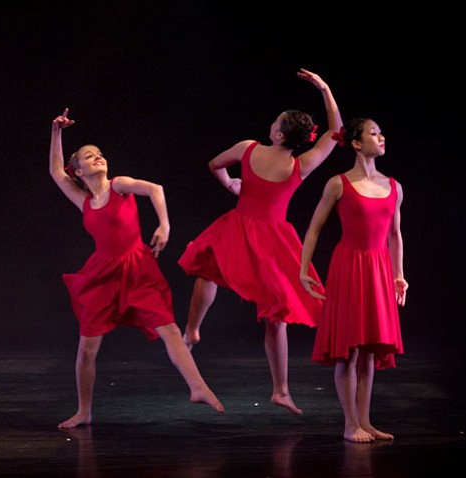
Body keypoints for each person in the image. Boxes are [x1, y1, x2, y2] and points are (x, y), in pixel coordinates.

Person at [178, 68, 342, 415]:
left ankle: (192, 330)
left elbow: (213, 164)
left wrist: (232, 185)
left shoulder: (247, 148)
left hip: (239, 227)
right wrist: (325, 89)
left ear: (279, 133)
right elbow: (336, 132)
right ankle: (280, 389)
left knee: (207, 269)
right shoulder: (303, 164)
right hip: (275, 238)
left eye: (276, 121)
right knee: (277, 315)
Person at [49, 108, 225, 429]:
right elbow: (55, 173)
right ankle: (84, 411)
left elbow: (155, 189)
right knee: (87, 349)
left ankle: (197, 387)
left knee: (169, 328)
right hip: (101, 276)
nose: (98, 158)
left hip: (137, 268)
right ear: (77, 170)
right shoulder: (83, 201)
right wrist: (56, 132)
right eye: (89, 157)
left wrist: (164, 225)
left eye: (99, 154)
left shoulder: (119, 185)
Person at [299, 117, 408, 443]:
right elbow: (314, 228)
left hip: (377, 270)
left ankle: (365, 421)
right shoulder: (338, 184)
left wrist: (398, 273)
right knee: (349, 349)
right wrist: (304, 269)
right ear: (357, 143)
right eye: (374, 133)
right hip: (349, 268)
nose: (381, 136)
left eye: (381, 131)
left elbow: (394, 236)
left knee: (369, 351)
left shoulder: (394, 187)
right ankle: (350, 425)